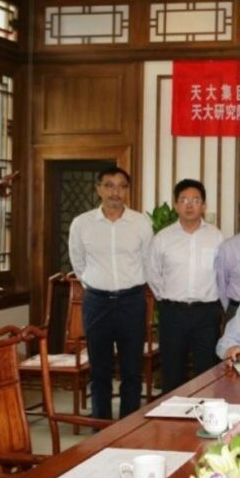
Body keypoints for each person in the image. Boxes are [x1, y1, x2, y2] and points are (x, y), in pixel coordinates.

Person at [68, 167, 152, 420]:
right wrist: (96, 284)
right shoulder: (82, 223)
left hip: (132, 302)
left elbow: (148, 261)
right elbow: (78, 263)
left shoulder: (140, 223)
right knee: (100, 370)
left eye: (121, 186)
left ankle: (129, 426)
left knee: (132, 370)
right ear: (98, 189)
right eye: (109, 185)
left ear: (127, 190)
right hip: (97, 302)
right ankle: (101, 427)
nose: (115, 192)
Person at [145, 178, 225, 393]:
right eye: (184, 200)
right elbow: (152, 273)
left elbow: (221, 273)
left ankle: (205, 411)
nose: (190, 205)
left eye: (195, 200)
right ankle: (172, 413)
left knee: (206, 370)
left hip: (206, 313)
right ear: (176, 205)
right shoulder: (163, 238)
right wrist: (166, 298)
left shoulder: (216, 236)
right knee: (172, 371)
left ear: (204, 206)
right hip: (173, 312)